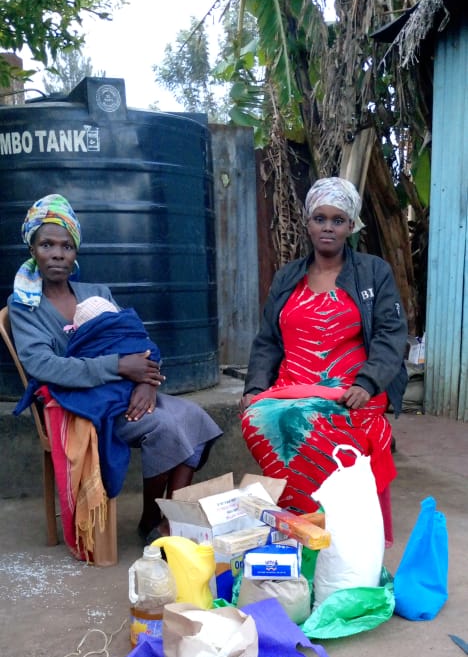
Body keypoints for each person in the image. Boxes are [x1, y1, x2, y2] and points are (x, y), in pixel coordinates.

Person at [9, 193, 223, 546]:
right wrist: (120, 366)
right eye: (47, 244)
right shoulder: (25, 306)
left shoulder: (96, 292)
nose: (58, 253)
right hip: (81, 404)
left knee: (194, 417)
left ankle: (164, 517)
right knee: (165, 426)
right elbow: (42, 365)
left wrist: (148, 383)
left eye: (66, 245)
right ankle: (155, 519)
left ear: (76, 252)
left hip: (126, 391)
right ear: (33, 249)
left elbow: (135, 338)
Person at [239, 177, 408, 540]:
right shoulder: (288, 277)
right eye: (320, 218)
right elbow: (267, 340)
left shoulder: (373, 272)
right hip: (291, 387)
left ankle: (325, 529)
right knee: (258, 418)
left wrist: (367, 383)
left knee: (312, 424)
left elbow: (390, 334)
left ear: (351, 225)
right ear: (308, 223)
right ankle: (297, 522)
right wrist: (255, 387)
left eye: (337, 220)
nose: (327, 227)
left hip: (350, 389)